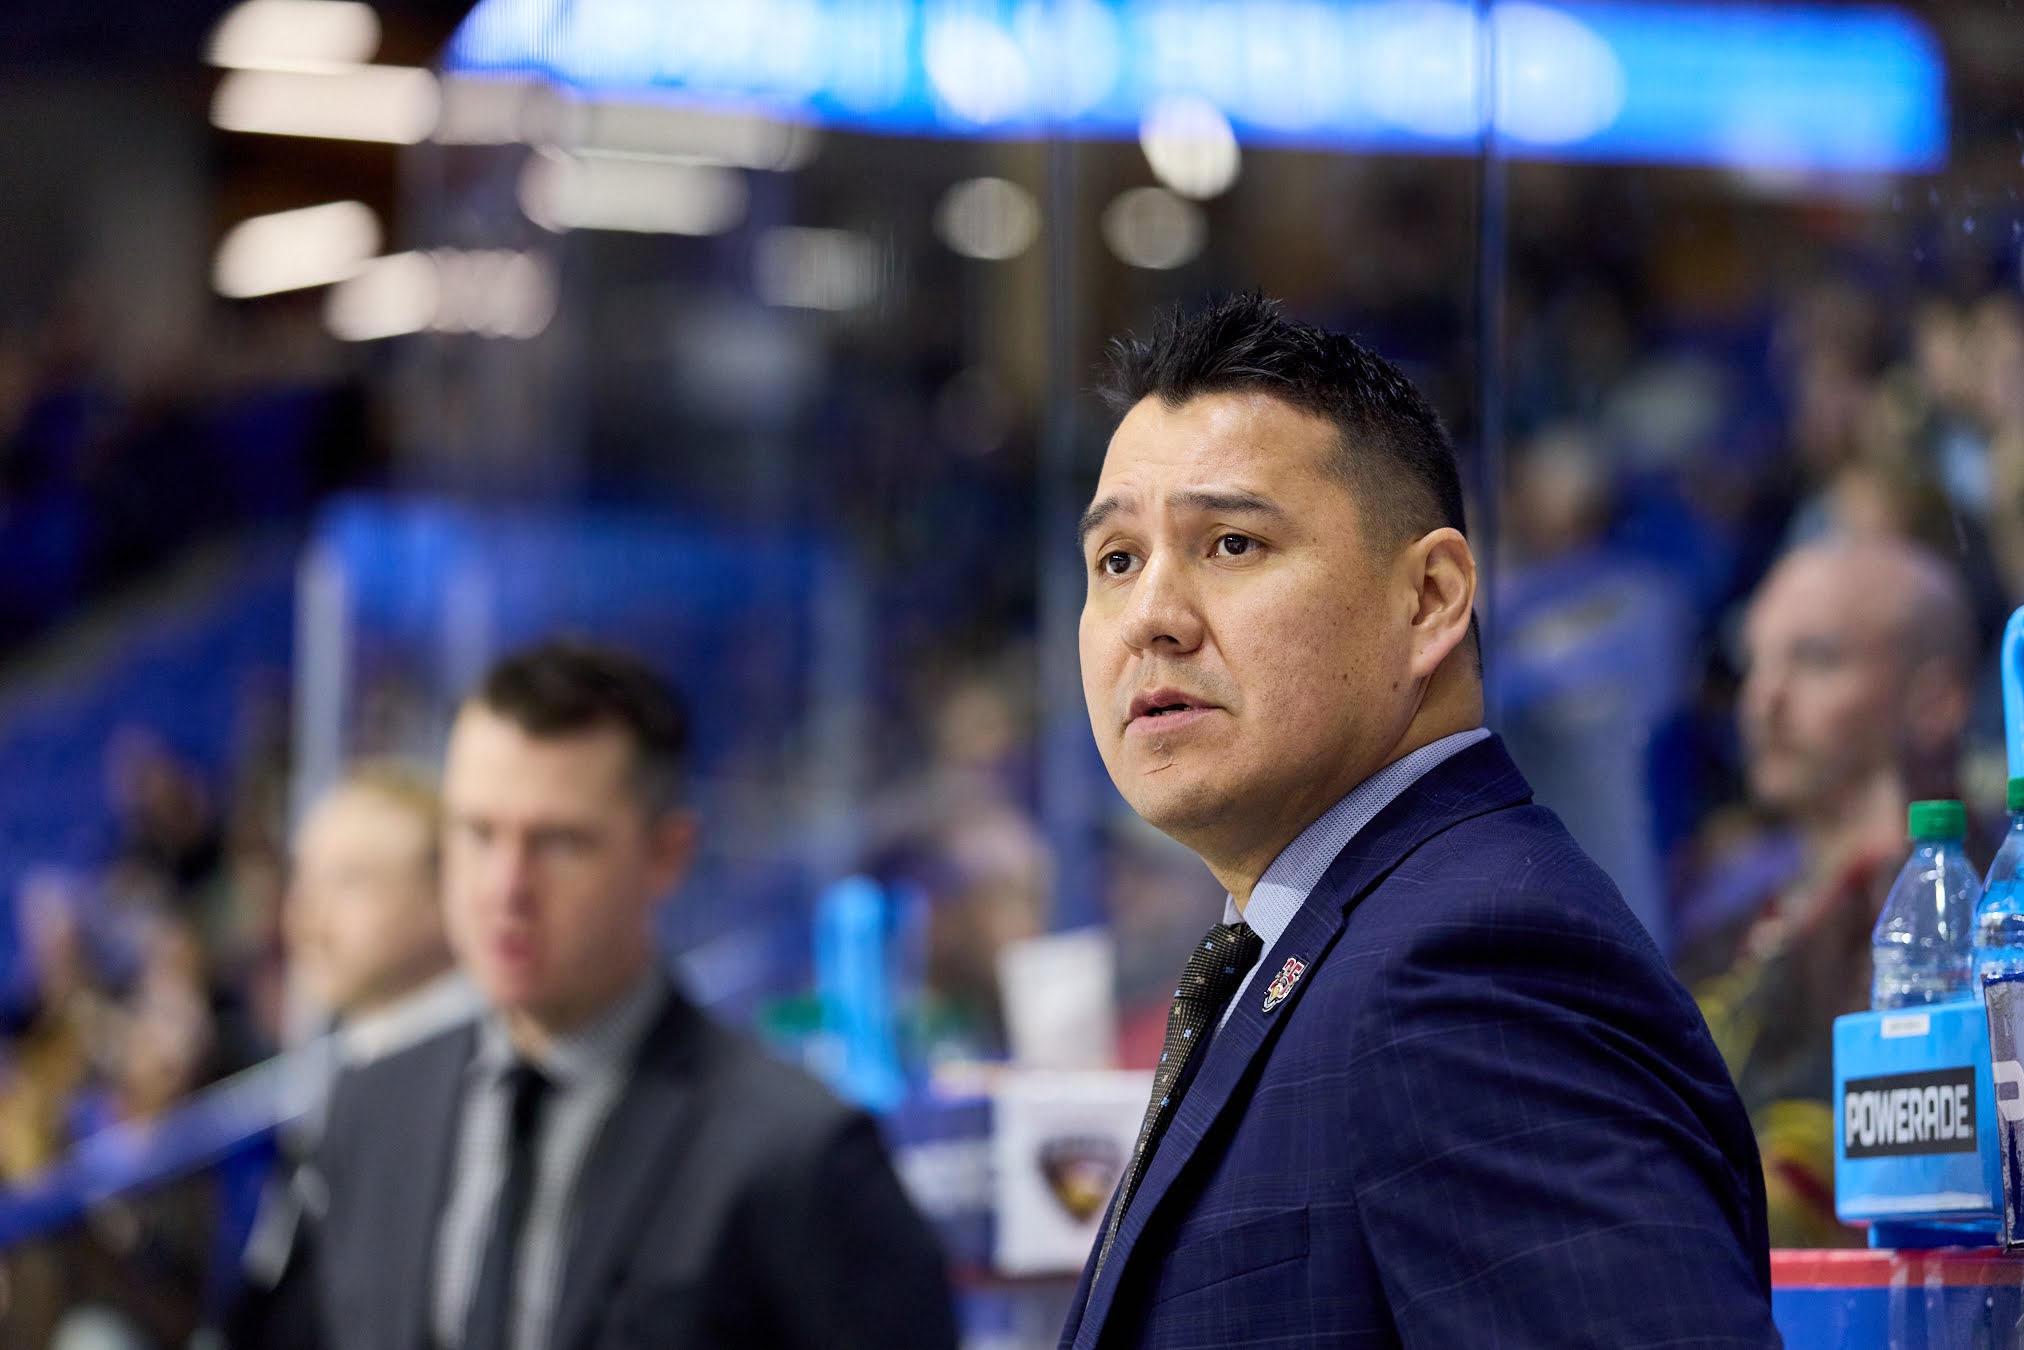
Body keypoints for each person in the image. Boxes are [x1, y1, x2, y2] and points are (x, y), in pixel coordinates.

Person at [1060, 295, 1775, 1349]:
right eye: (1117, 561)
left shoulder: (1471, 967)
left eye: (1231, 543)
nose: (1150, 618)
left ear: (1432, 599)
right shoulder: (1323, 948)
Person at [303, 640, 956, 1350]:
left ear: (666, 856)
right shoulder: (373, 1113)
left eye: (560, 843)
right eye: (478, 833)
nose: (505, 888)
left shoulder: (796, 1154)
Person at [1677, 534, 1976, 1246]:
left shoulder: (1976, 914)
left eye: (1816, 659)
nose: (1764, 700)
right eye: (1755, 662)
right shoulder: (1734, 922)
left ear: (1934, 700)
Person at [228, 762, 479, 1348]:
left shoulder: (481, 1082)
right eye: (303, 880)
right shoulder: (355, 1070)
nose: (307, 916)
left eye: (350, 882)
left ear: (445, 894)